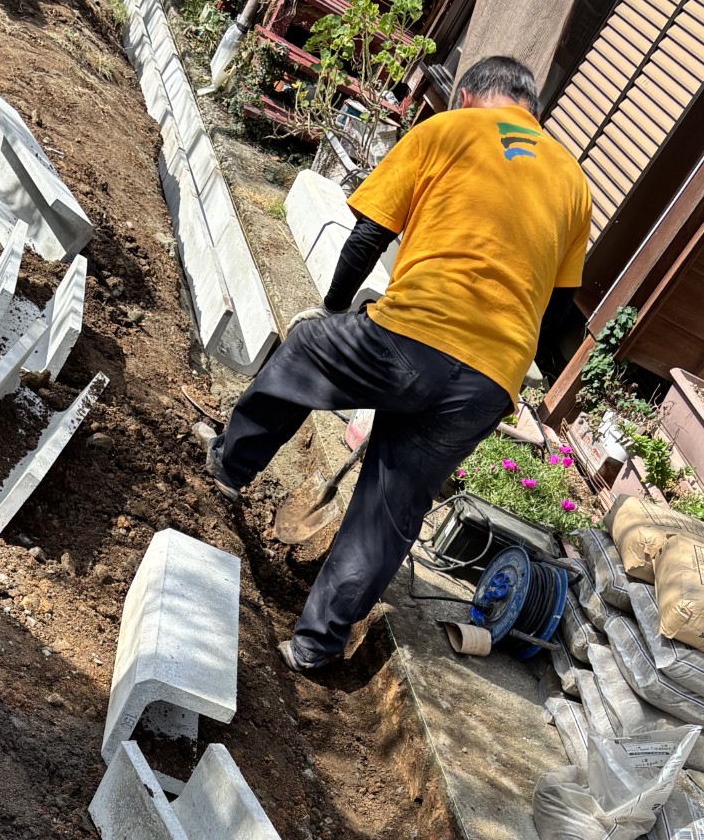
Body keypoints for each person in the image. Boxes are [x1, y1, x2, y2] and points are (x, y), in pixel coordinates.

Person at [206, 54, 592, 672]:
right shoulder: (574, 183)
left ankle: (228, 469)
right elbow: (559, 308)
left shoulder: (447, 129)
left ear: (466, 96)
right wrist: (506, 367)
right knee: (390, 508)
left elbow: (368, 235)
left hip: (411, 335)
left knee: (304, 351)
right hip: (490, 381)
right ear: (532, 110)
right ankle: (313, 648)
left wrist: (333, 310)